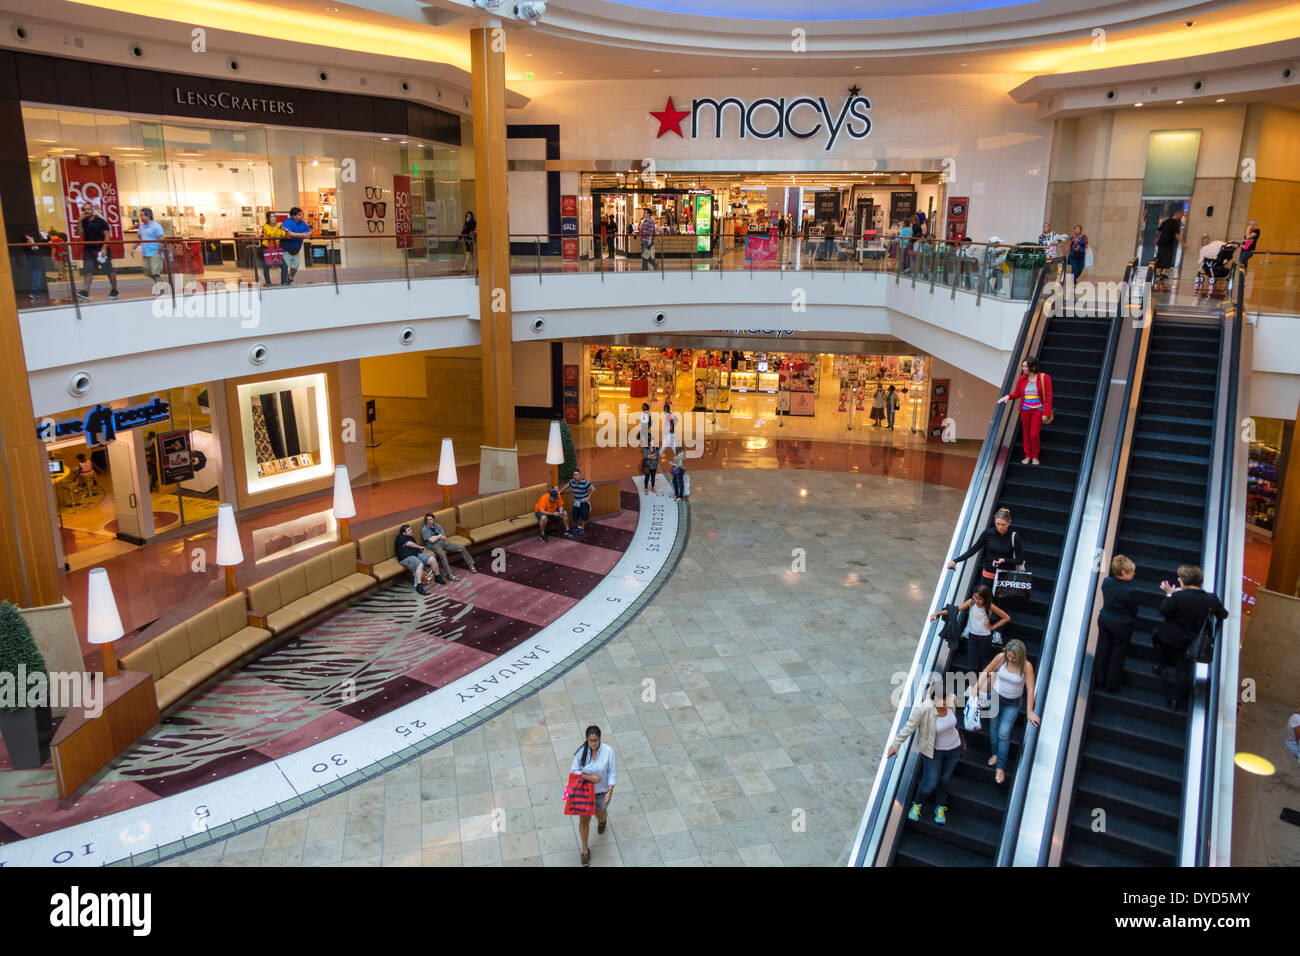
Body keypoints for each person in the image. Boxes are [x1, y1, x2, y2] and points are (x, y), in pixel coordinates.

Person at [887, 677, 963, 826]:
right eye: (943, 701)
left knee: (945, 778)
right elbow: (909, 727)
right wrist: (895, 745)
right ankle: (917, 804)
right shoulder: (924, 709)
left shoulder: (951, 699)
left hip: (954, 748)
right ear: (933, 699)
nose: (946, 703)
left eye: (946, 699)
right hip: (934, 752)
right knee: (930, 782)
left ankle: (940, 805)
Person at [1152, 564, 1228, 711]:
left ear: (1182, 582)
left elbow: (1164, 611)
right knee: (1184, 670)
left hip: (1168, 637)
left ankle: (1161, 667)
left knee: (1156, 637)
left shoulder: (1178, 596)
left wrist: (1169, 594)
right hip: (1190, 643)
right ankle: (1175, 699)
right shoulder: (1211, 599)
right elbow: (1223, 615)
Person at [972, 638, 1039, 784]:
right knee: (994, 727)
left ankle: (1001, 767)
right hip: (995, 697)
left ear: (1021, 656)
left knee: (1004, 732)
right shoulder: (1001, 658)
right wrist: (976, 687)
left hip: (1013, 703)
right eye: (1009, 656)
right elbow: (986, 671)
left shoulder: (1026, 666)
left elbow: (1030, 689)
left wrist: (1030, 711)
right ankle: (995, 753)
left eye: (1014, 657)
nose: (1011, 659)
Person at [931, 584, 1010, 673]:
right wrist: (937, 613)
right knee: (972, 665)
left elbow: (1006, 617)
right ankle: (975, 683)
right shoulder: (971, 602)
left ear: (985, 599)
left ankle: (976, 684)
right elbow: (955, 609)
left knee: (979, 664)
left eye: (979, 599)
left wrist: (992, 627)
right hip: (972, 637)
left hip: (985, 638)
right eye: (974, 597)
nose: (976, 600)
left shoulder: (990, 606)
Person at [570, 724, 615, 866]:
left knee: (601, 813)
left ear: (600, 739)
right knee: (584, 821)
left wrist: (610, 791)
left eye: (595, 740)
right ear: (587, 739)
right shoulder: (581, 752)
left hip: (602, 792)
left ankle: (602, 821)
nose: (593, 743)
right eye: (591, 740)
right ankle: (585, 850)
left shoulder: (608, 752)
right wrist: (590, 778)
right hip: (585, 793)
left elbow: (612, 773)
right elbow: (574, 771)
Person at [1095, 554, 1140, 693]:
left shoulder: (1106, 582)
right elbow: (1134, 610)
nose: (1134, 573)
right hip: (1121, 624)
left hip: (1105, 619)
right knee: (1117, 653)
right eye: (1132, 571)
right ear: (1124, 573)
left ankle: (1099, 679)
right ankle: (1112, 684)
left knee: (1103, 649)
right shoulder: (1131, 591)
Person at [947, 507, 1023, 589]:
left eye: (1003, 524)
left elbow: (1019, 560)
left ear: (1009, 523)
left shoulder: (1014, 537)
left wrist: (1004, 560)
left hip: (1004, 576)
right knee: (983, 600)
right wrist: (956, 560)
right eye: (998, 524)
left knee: (998, 601)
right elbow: (974, 549)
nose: (1000, 527)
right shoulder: (988, 533)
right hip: (988, 574)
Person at [998, 357, 1052, 465]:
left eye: (1025, 366)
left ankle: (1035, 456)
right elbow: (1017, 394)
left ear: (1033, 367)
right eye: (1023, 366)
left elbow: (1049, 396)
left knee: (1034, 434)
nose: (1023, 368)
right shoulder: (1022, 379)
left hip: (1037, 410)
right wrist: (1007, 397)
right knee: (1026, 433)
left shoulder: (1044, 378)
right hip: (1025, 410)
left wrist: (1045, 413)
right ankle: (1028, 456)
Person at [76, 203, 119, 299]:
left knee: (108, 270)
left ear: (93, 210)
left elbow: (107, 236)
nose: (86, 211)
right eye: (85, 209)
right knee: (88, 271)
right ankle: (85, 291)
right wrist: (79, 221)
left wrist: (104, 248)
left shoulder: (101, 222)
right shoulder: (83, 222)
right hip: (89, 250)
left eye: (88, 209)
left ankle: (114, 290)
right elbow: (80, 233)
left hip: (101, 250)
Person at [420, 512, 478, 579]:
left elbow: (444, 537)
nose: (430, 521)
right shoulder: (424, 529)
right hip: (434, 545)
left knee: (461, 548)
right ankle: (450, 574)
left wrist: (437, 537)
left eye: (431, 519)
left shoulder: (437, 526)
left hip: (443, 542)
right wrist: (439, 535)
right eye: (428, 520)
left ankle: (471, 565)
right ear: (426, 521)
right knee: (443, 555)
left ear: (433, 520)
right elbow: (431, 540)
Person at [395, 523, 439, 595]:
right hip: (405, 557)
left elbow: (414, 547)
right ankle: (419, 586)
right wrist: (419, 547)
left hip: (415, 554)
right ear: (404, 533)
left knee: (432, 559)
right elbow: (409, 544)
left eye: (410, 529)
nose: (411, 531)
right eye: (408, 530)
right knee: (419, 564)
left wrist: (419, 550)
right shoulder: (400, 537)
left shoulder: (411, 538)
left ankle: (437, 576)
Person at [1153, 209, 1185, 289]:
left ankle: (1158, 272)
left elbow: (1158, 230)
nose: (1181, 217)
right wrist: (1183, 243)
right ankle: (1161, 273)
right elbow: (1177, 234)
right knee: (1166, 258)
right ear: (1178, 214)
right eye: (1181, 215)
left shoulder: (1166, 221)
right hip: (1168, 243)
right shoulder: (1175, 223)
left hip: (1162, 242)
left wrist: (1156, 238)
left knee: (1160, 256)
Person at [279, 207, 312, 285]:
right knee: (285, 266)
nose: (301, 216)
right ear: (294, 216)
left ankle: (290, 278)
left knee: (296, 264)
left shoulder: (303, 223)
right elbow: (290, 234)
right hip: (286, 249)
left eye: (302, 215)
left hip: (296, 249)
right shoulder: (288, 222)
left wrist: (307, 234)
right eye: (299, 215)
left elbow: (309, 232)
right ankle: (284, 282)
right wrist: (303, 235)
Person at [562, 468, 593, 535]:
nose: (577, 476)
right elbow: (566, 486)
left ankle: (582, 528)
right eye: (576, 475)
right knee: (575, 515)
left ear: (580, 474)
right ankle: (578, 526)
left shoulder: (584, 482)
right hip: (576, 502)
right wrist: (559, 492)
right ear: (573, 476)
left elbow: (593, 488)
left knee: (584, 516)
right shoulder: (572, 481)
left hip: (583, 502)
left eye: (578, 474)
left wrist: (588, 497)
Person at [138, 208, 165, 283]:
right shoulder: (141, 226)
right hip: (146, 253)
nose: (141, 217)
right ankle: (161, 282)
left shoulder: (156, 226)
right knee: (146, 271)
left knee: (155, 272)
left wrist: (160, 252)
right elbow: (140, 238)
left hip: (155, 253)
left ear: (148, 216)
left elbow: (161, 240)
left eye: (142, 215)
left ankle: (159, 289)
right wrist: (134, 247)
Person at [260, 211, 287, 286]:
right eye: (271, 217)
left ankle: (284, 282)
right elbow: (271, 235)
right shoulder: (266, 227)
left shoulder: (279, 225)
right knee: (267, 266)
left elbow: (284, 234)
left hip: (277, 248)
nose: (274, 218)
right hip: (267, 248)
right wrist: (278, 228)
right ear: (268, 219)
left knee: (284, 265)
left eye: (274, 216)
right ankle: (268, 283)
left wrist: (281, 229)